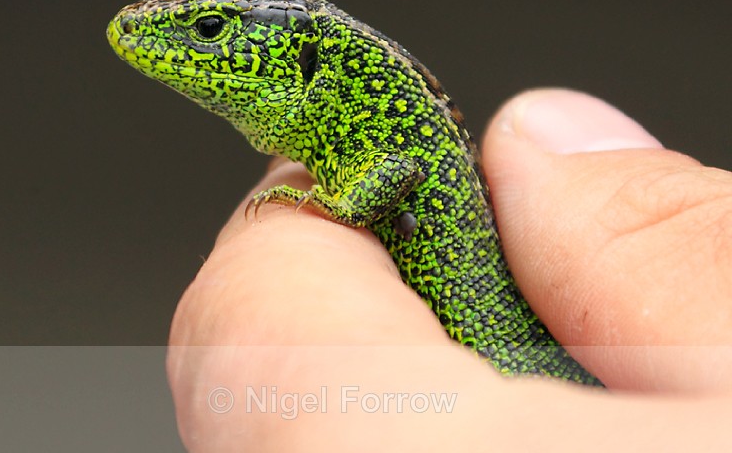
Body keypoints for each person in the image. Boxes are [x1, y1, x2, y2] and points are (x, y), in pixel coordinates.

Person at [167, 89, 732, 451]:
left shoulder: (369, 104)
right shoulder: (355, 111)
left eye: (211, 30)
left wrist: (344, 208)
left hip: (514, 355)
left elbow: (402, 169)